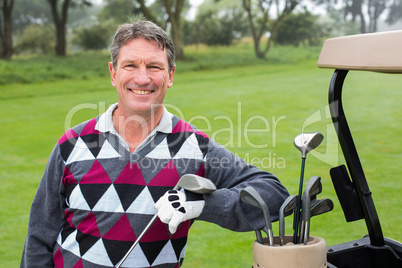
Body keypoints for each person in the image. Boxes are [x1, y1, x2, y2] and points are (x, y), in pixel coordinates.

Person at [21, 20, 289, 268]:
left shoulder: (194, 146)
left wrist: (202, 204)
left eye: (154, 66)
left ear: (170, 75)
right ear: (113, 73)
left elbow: (274, 194)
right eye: (130, 65)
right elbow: (39, 235)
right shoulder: (71, 143)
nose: (142, 78)